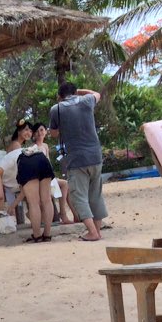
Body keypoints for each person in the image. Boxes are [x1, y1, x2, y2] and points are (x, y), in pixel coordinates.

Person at [50, 83, 107, 242]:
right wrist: (79, 92)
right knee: (95, 195)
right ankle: (97, 231)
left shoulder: (56, 109)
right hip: (95, 155)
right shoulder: (87, 100)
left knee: (78, 196)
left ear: (60, 96)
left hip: (76, 159)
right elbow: (97, 93)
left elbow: (54, 133)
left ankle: (92, 232)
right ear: (75, 92)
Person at [0, 119, 54, 242]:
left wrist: (1, 211)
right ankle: (47, 234)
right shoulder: (11, 164)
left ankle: (37, 235)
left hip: (27, 161)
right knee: (47, 200)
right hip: (41, 157)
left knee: (34, 203)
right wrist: (12, 206)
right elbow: (23, 191)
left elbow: (0, 196)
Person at [32, 122, 73, 225]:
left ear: (46, 131)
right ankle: (62, 214)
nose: (39, 133)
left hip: (49, 176)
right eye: (37, 131)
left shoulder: (45, 146)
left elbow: (48, 162)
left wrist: (52, 175)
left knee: (65, 184)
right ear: (33, 134)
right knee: (62, 185)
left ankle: (64, 213)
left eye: (41, 130)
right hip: (41, 178)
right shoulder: (33, 148)